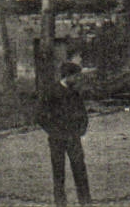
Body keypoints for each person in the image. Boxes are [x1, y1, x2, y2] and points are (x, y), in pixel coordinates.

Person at [36, 61, 91, 206]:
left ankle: (85, 202)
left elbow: (82, 113)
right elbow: (40, 116)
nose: (78, 79)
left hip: (73, 138)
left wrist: (81, 129)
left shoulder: (75, 92)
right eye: (76, 76)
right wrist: (54, 131)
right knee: (59, 172)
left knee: (80, 170)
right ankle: (60, 203)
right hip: (57, 139)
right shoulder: (51, 91)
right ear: (68, 76)